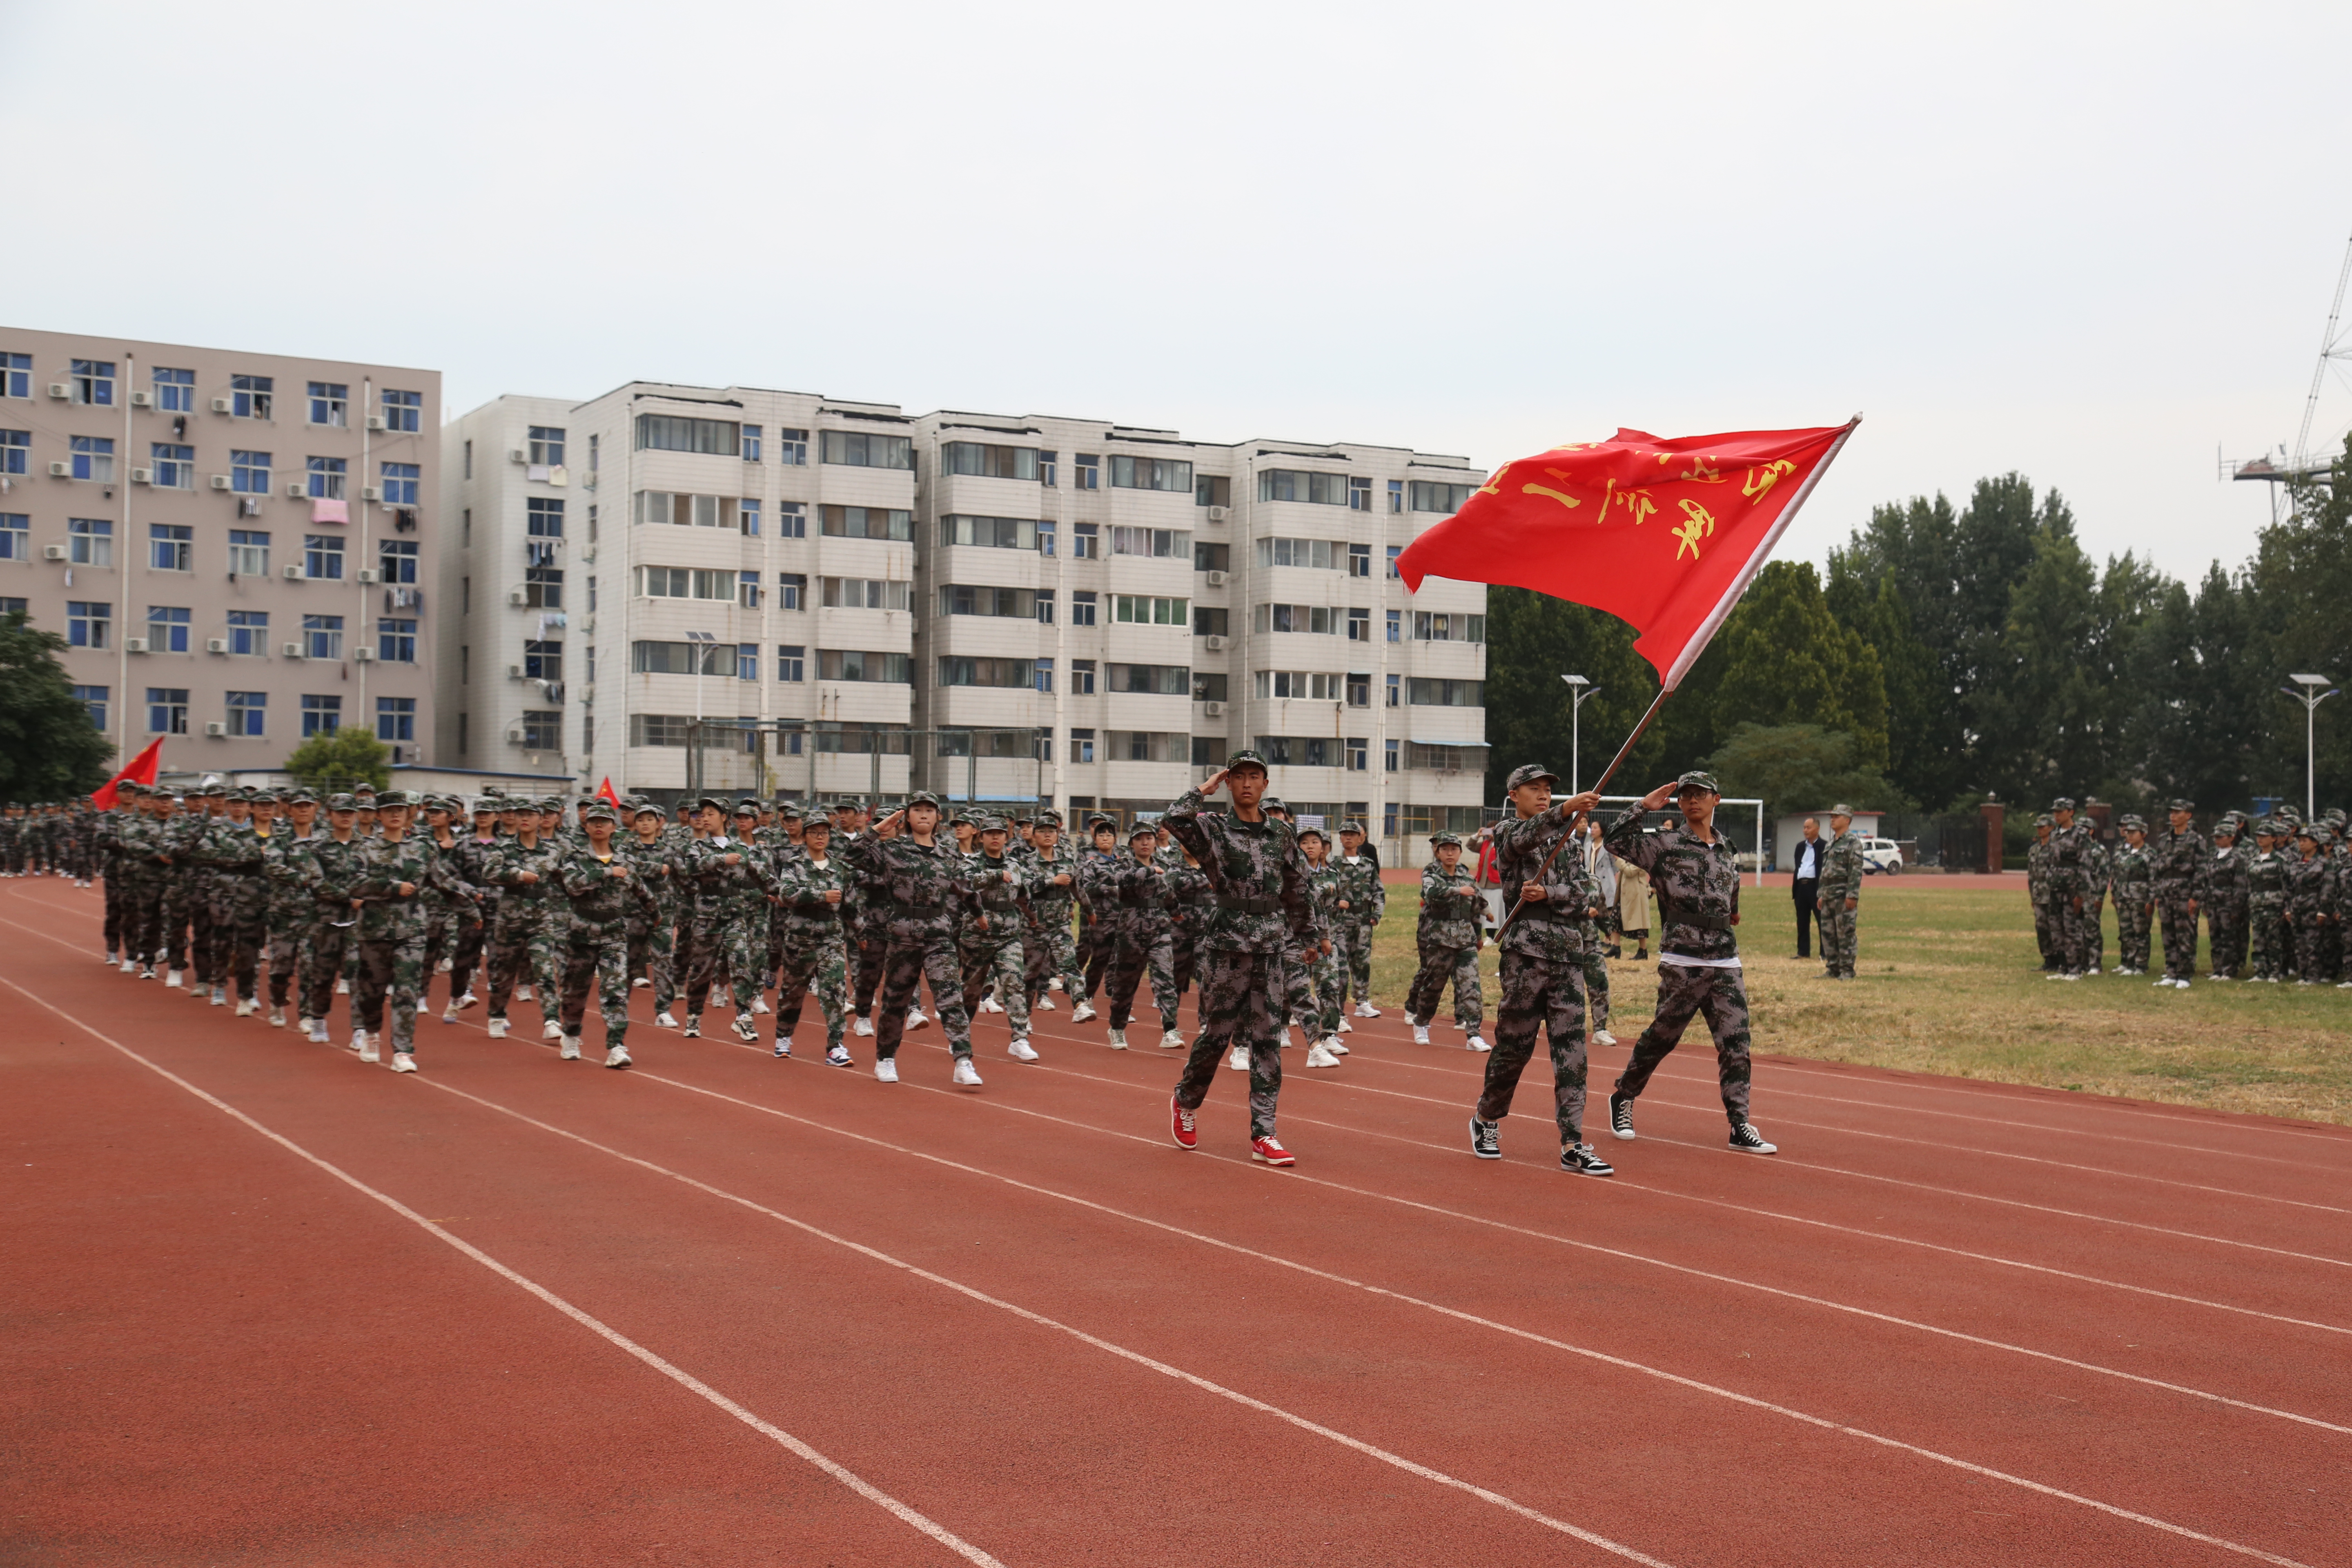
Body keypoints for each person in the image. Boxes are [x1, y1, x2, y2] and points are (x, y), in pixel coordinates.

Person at [1604, 770, 1778, 1156]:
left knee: (1736, 1044)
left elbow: (1731, 892)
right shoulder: (1664, 844)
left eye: (1701, 794)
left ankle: (1739, 1123)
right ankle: (1624, 1097)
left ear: (1717, 800)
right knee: (1663, 1037)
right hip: (1683, 957)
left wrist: (1732, 911)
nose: (1692, 800)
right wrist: (1641, 807)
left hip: (1725, 960)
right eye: (1686, 796)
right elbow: (1615, 842)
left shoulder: (1728, 848)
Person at [1163, 752, 1316, 1166]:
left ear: (1266, 784)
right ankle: (1186, 1101)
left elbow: (1296, 887)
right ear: (1229, 784)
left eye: (1255, 776)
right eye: (1239, 777)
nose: (1248, 783)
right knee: (1217, 1036)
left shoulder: (1282, 834)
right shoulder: (1212, 828)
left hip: (1269, 943)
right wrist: (1202, 790)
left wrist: (1309, 935)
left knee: (1267, 1039)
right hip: (1227, 945)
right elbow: (1174, 821)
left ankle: (1264, 1133)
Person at [1466, 765, 1612, 1174]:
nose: (1543, 794)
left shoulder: (1570, 841)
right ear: (1514, 794)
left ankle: (1573, 1141)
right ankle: (1487, 1119)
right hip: (1526, 957)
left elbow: (1591, 891)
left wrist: (1552, 892)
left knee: (1573, 1054)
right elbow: (1525, 839)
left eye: (1549, 790)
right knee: (1515, 1047)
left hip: (1568, 954)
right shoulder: (1509, 832)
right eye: (1535, 789)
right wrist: (1565, 810)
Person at [835, 792, 981, 1085]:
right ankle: (886, 1059)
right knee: (895, 1001)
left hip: (938, 933)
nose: (924, 815)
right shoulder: (893, 850)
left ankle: (963, 1060)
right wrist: (877, 831)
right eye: (917, 810)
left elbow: (963, 886)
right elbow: (849, 857)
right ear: (907, 817)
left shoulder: (949, 853)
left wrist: (979, 912)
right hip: (902, 934)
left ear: (938, 817)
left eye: (930, 810)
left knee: (951, 997)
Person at [556, 800, 654, 1067]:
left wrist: (655, 913)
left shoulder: (626, 859)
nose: (599, 826)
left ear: (613, 827)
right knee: (576, 991)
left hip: (614, 934)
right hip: (581, 935)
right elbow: (574, 886)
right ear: (586, 827)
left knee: (616, 991)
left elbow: (641, 888)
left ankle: (617, 1046)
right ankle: (572, 1034)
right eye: (593, 822)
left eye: (604, 822)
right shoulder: (575, 858)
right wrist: (607, 872)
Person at [958, 816, 1040, 1061]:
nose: (995, 838)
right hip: (978, 934)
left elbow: (1022, 893)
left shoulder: (1015, 864)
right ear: (980, 837)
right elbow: (965, 884)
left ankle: (1020, 1038)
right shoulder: (971, 862)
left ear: (1007, 838)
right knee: (971, 991)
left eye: (1000, 833)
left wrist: (1032, 916)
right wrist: (995, 875)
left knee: (1014, 982)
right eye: (990, 833)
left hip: (1009, 934)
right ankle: (960, 1037)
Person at [772, 815, 853, 1065]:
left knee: (835, 992)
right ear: (805, 836)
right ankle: (783, 1037)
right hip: (800, 940)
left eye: (825, 833)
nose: (820, 837)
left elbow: (851, 904)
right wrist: (821, 895)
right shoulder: (793, 865)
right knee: (792, 993)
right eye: (815, 833)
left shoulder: (840, 868)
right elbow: (786, 896)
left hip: (831, 939)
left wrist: (861, 934)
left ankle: (835, 1046)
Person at [1100, 821, 1183, 1053]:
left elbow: (1169, 893)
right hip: (1131, 933)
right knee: (1126, 985)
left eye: (1149, 838)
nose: (1145, 842)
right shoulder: (1123, 865)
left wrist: (1177, 914)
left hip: (1160, 932)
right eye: (1139, 839)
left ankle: (1170, 1029)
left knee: (1166, 980)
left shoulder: (1164, 865)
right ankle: (1117, 1028)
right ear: (1132, 843)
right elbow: (1119, 882)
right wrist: (1147, 871)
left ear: (1155, 842)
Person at [1405, 831, 1487, 1051]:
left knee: (1471, 987)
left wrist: (1478, 936)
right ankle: (1421, 1023)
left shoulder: (1467, 876)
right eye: (1445, 849)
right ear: (1438, 852)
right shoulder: (1432, 873)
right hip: (1441, 939)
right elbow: (1430, 894)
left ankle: (1474, 1034)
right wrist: (1456, 890)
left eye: (1454, 849)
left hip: (1465, 940)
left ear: (1460, 852)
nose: (1450, 853)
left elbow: (1475, 908)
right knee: (1434, 985)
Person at [1294, 826, 1347, 1068]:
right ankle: (1284, 1029)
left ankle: (1329, 1035)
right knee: (1295, 990)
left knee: (1329, 987)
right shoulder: (1293, 873)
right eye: (1305, 843)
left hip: (1326, 938)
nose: (1311, 846)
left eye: (1315, 842)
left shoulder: (1332, 874)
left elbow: (1333, 904)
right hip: (1297, 940)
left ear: (1323, 847)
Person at [2149, 800, 2205, 988]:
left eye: (2178, 812)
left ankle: (2185, 975)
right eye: (2171, 812)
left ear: (2188, 816)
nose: (2173, 816)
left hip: (2185, 891)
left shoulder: (2196, 840)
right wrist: (2157, 892)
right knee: (2168, 933)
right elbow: (2158, 867)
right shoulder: (2164, 839)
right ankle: (2171, 972)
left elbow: (2201, 869)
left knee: (2186, 934)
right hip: (2166, 892)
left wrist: (2195, 896)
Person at [1334, 822, 1385, 1020]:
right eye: (1344, 834)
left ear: (1360, 839)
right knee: (1340, 965)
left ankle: (1362, 1001)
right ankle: (1337, 1008)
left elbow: (1378, 891)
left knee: (1362, 962)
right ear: (1340, 838)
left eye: (1352, 835)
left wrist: (1377, 914)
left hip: (1364, 920)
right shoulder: (1334, 865)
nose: (1348, 838)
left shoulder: (1368, 864)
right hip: (1341, 921)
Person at [1816, 805, 1863, 980]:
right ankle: (1833, 968)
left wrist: (1852, 895)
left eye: (1837, 816)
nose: (1833, 819)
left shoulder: (1853, 843)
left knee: (1845, 934)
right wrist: (1821, 894)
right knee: (1829, 934)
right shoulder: (1831, 843)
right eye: (1832, 816)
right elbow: (1825, 870)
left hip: (1843, 896)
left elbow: (1856, 871)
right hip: (1829, 895)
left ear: (1847, 820)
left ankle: (1847, 970)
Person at [2247, 819, 2290, 982]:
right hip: (2257, 905)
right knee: (2259, 940)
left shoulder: (2280, 860)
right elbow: (2249, 883)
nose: (2260, 840)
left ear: (2274, 838)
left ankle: (2275, 972)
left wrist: (2286, 907)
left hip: (2274, 906)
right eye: (2258, 836)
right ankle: (2260, 972)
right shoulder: (2253, 859)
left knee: (2274, 940)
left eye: (2265, 836)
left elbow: (2287, 884)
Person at [2110, 816, 2154, 975]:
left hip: (2139, 898)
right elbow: (2117, 874)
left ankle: (2141, 965)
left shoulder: (2149, 854)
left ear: (2143, 834)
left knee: (2140, 932)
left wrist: (2151, 900)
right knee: (2126, 931)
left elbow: (2153, 879)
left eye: (2134, 832)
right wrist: (2115, 892)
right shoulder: (2124, 853)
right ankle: (2129, 963)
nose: (2130, 835)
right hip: (2124, 897)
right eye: (2128, 832)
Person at [1789, 816, 1823, 959]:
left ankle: (1825, 953)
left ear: (1817, 829)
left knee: (1822, 921)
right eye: (1804, 828)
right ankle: (1803, 952)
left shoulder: (1824, 847)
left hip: (1816, 887)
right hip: (1801, 888)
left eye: (1808, 828)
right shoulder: (1800, 847)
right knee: (1802, 921)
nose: (1805, 830)